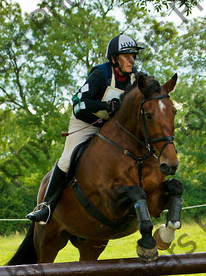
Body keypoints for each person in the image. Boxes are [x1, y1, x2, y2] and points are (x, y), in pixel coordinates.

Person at [26, 33, 145, 224]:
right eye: (127, 56)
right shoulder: (100, 74)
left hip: (111, 128)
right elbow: (79, 104)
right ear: (114, 58)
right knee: (66, 160)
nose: (132, 60)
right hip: (86, 122)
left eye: (133, 56)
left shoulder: (135, 77)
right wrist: (106, 106)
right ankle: (46, 207)